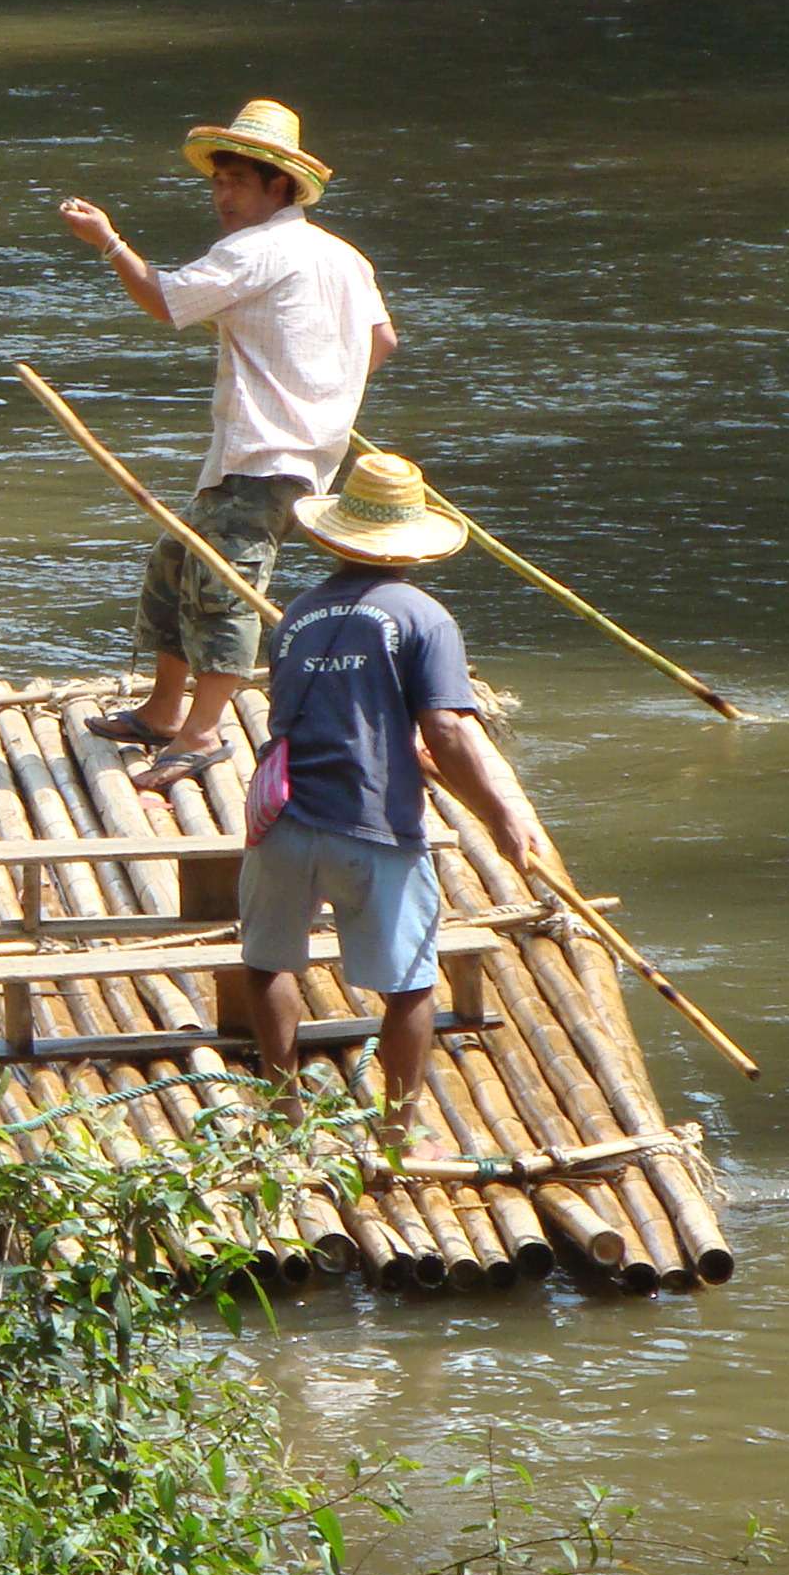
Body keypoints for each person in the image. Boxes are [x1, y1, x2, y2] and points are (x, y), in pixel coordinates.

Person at [54, 99, 394, 794]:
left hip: (267, 452)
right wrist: (323, 389)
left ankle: (201, 733)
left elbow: (166, 300)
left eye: (236, 181)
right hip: (300, 450)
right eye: (216, 182)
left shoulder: (258, 249)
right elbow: (380, 343)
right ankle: (161, 708)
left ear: (279, 186)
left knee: (224, 587)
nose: (223, 196)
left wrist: (110, 243)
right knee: (176, 563)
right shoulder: (344, 257)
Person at [236, 451, 542, 1156]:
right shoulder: (424, 616)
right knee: (409, 985)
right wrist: (502, 815)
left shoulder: (297, 618)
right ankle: (397, 1136)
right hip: (372, 824)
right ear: (410, 543)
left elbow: (329, 715)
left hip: (282, 820)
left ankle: (285, 1120)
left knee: (269, 964)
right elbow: (447, 726)